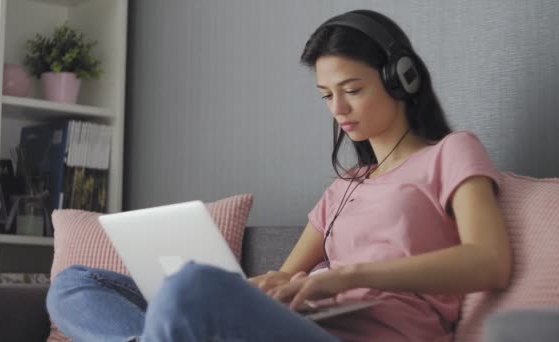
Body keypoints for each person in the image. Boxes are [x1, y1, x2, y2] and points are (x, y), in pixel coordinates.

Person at [46, 9, 512, 342]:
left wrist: (344, 275)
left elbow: (489, 261)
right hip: (299, 324)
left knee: (190, 288)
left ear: (400, 80)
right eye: (326, 95)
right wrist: (256, 286)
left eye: (352, 90)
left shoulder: (451, 153)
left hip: (380, 332)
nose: (339, 109)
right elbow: (283, 278)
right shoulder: (344, 188)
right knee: (75, 282)